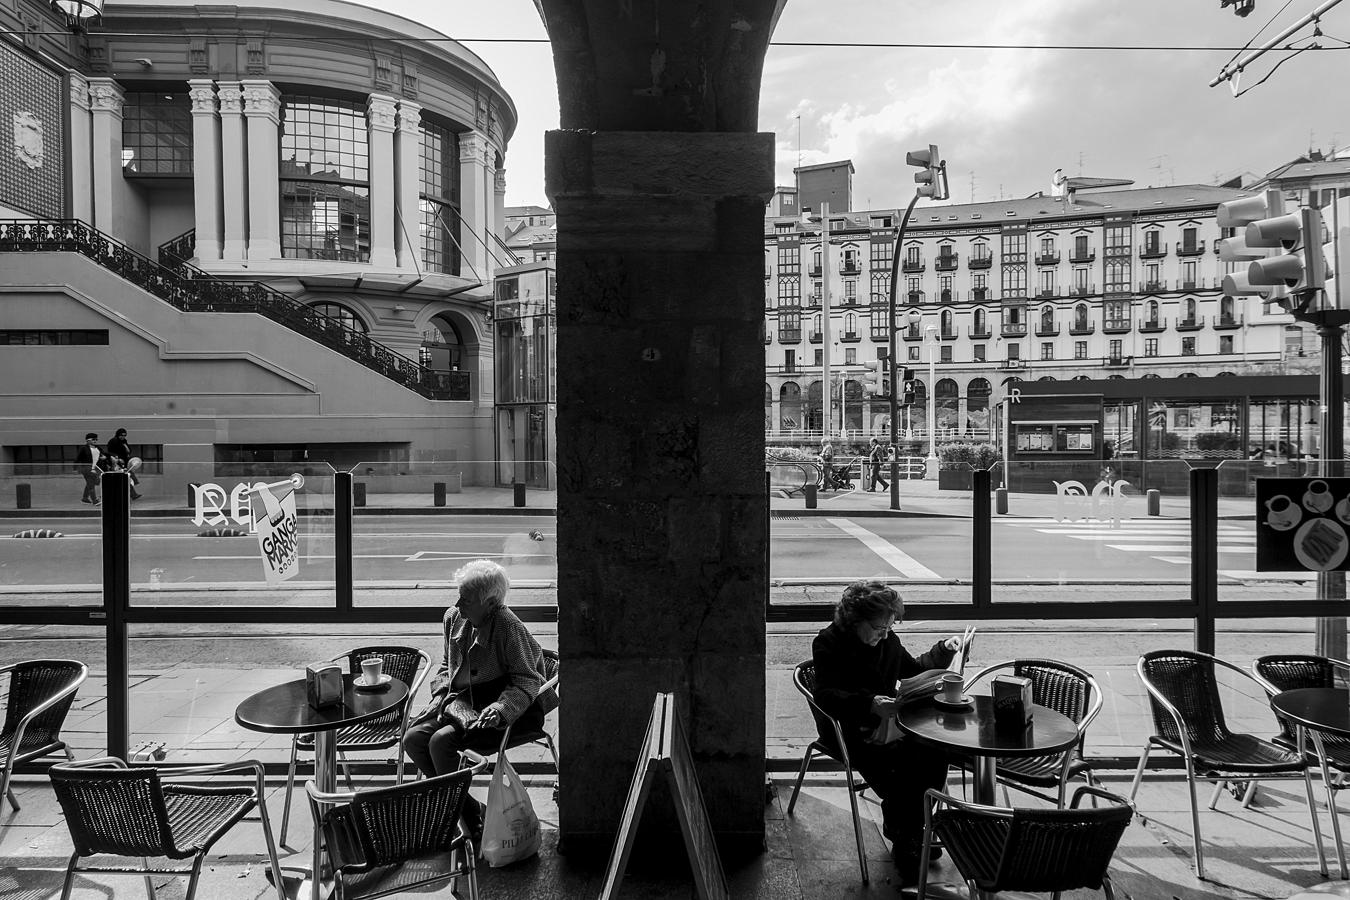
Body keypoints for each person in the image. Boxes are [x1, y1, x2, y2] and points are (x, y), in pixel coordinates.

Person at [811, 581, 969, 885]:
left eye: (888, 627)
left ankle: (907, 833)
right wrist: (869, 704)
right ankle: (909, 835)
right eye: (878, 628)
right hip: (849, 729)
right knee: (904, 767)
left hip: (890, 727)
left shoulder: (887, 641)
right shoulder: (829, 643)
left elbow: (912, 669)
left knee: (934, 751)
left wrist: (942, 651)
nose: (884, 634)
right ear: (853, 620)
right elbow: (826, 696)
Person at [403, 559, 557, 844]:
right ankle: (470, 810)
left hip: (504, 708)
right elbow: (446, 669)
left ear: (490, 603)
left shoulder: (508, 626)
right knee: (413, 738)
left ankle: (466, 820)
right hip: (460, 704)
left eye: (467, 600)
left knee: (440, 743)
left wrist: (499, 709)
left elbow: (527, 680)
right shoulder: (453, 617)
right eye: (459, 596)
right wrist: (439, 696)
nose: (459, 604)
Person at [105, 428, 142, 500]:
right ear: (118, 435)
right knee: (125, 478)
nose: (123, 436)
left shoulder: (124, 441)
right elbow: (110, 452)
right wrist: (117, 458)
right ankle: (133, 494)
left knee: (126, 478)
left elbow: (128, 450)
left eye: (125, 435)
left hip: (124, 462)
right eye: (121, 435)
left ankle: (133, 494)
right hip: (117, 463)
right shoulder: (114, 441)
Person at [74, 433, 102, 505]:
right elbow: (78, 458)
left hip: (95, 468)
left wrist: (105, 457)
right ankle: (94, 500)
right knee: (91, 483)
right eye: (93, 439)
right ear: (88, 440)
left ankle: (85, 498)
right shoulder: (84, 448)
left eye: (96, 439)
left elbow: (103, 454)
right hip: (87, 468)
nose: (95, 441)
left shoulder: (97, 447)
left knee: (92, 483)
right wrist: (75, 468)